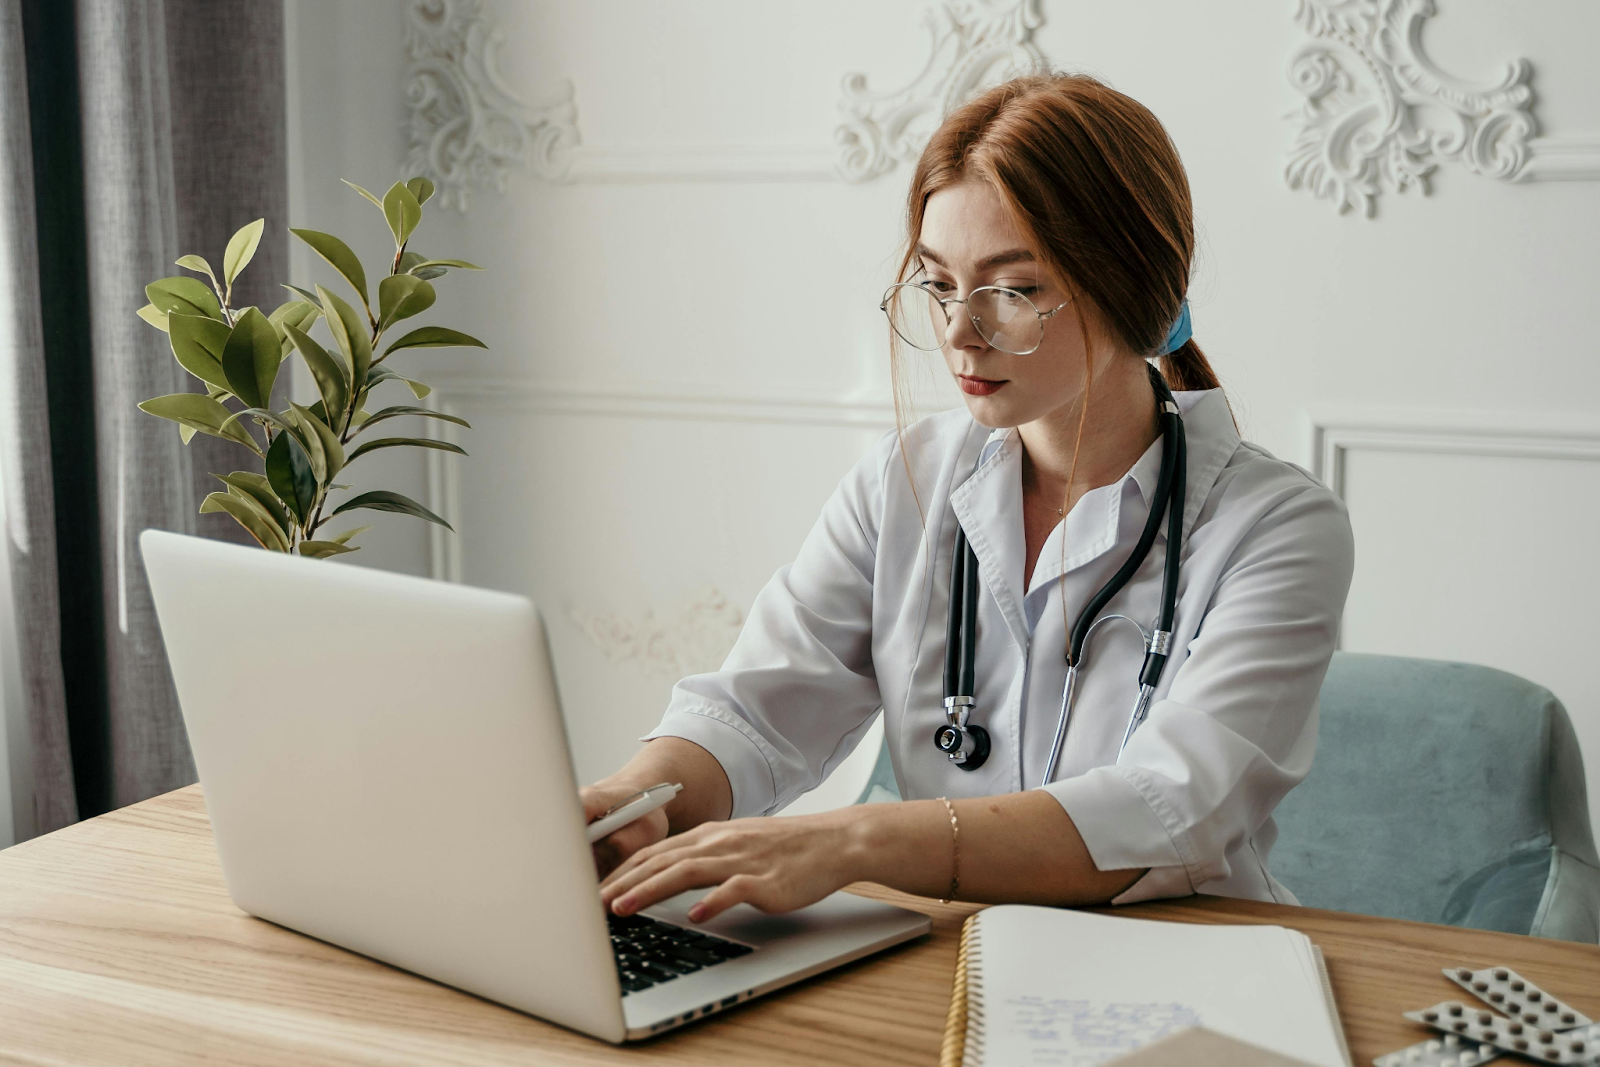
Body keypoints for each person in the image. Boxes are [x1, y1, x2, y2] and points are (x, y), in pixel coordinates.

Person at [586, 72, 1355, 926]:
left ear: (1133, 282)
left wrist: (853, 842)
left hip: (1179, 970)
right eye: (941, 283)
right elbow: (752, 712)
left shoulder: (1277, 528)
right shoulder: (903, 484)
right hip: (943, 964)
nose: (958, 330)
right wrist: (636, 799)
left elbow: (1170, 811)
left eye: (1013, 290)